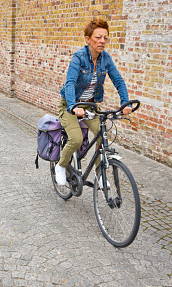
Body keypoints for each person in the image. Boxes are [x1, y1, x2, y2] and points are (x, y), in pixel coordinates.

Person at [55, 18, 132, 186]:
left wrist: (126, 103)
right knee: (75, 139)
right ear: (88, 39)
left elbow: (118, 80)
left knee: (102, 134)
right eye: (98, 37)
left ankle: (100, 174)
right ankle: (61, 166)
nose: (102, 41)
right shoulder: (79, 57)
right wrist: (73, 106)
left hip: (90, 105)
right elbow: (70, 83)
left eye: (105, 37)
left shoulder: (106, 59)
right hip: (70, 105)